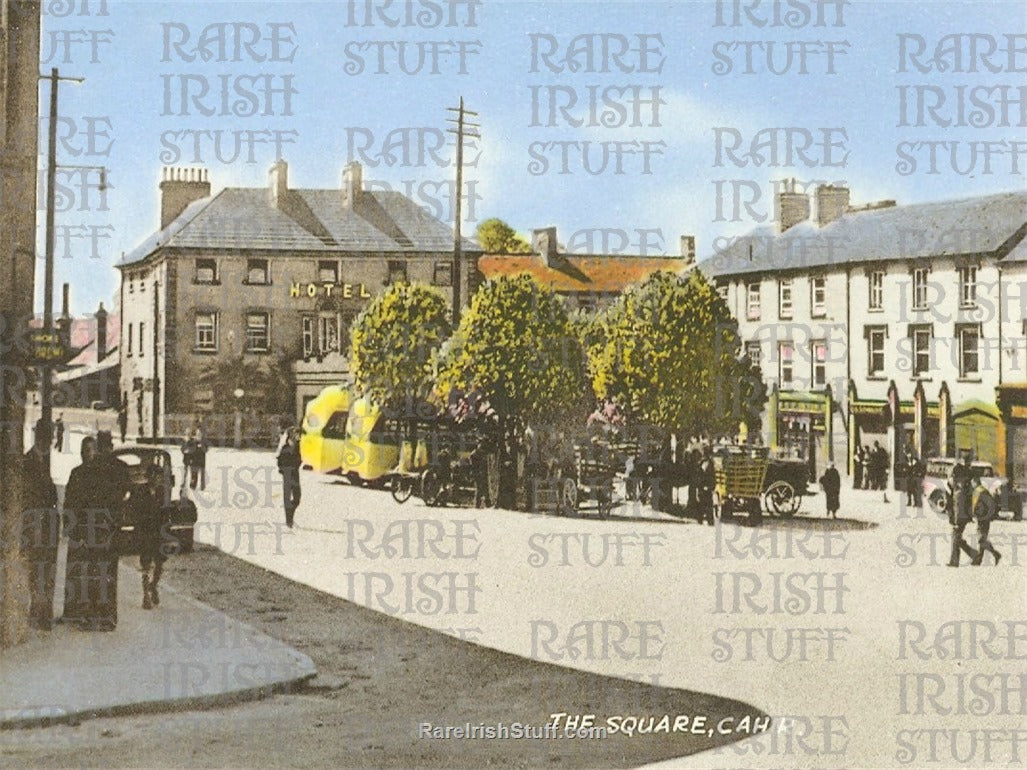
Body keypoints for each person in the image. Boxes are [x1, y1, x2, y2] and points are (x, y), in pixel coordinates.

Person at [62, 431, 130, 630]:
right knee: (108, 574)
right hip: (109, 529)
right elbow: (127, 494)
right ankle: (107, 618)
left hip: (95, 529)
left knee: (95, 573)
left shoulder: (93, 469)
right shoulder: (120, 468)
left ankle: (94, 618)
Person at [20, 420, 59, 630]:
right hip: (38, 526)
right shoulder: (31, 461)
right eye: (50, 436)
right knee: (38, 570)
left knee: (43, 569)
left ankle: (41, 613)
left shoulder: (40, 459)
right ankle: (38, 615)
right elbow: (31, 498)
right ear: (43, 438)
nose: (53, 440)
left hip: (46, 525)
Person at [135, 464, 172, 608]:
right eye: (154, 476)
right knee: (145, 564)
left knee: (159, 564)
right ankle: (145, 596)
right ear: (148, 477)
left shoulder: (163, 492)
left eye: (158, 477)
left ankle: (154, 585)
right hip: (145, 533)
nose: (156, 479)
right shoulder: (141, 491)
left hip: (158, 533)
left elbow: (167, 514)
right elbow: (137, 513)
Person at [947, 451, 978, 567]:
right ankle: (974, 555)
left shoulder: (959, 492)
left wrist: (956, 520)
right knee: (957, 536)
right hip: (962, 514)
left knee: (956, 535)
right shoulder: (961, 488)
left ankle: (955, 561)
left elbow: (959, 505)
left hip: (960, 515)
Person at [969, 477, 1001, 566]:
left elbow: (974, 505)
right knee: (983, 538)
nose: (972, 485)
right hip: (987, 518)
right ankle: (978, 560)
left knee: (980, 539)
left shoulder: (977, 491)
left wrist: (973, 515)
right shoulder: (985, 490)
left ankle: (995, 553)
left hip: (981, 518)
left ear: (975, 482)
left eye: (972, 483)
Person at [276, 427, 302, 528]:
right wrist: (282, 470)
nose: (297, 437)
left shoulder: (298, 446)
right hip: (287, 473)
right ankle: (289, 521)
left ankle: (290, 514)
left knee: (297, 497)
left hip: (295, 473)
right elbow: (279, 461)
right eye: (295, 435)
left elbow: (300, 459)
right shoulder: (284, 448)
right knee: (287, 498)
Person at [697, 444, 716, 526]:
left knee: (708, 504)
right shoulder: (701, 462)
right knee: (701, 503)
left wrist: (711, 486)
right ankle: (700, 519)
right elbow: (699, 474)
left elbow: (712, 476)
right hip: (702, 486)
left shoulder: (710, 463)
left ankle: (709, 520)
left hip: (707, 486)